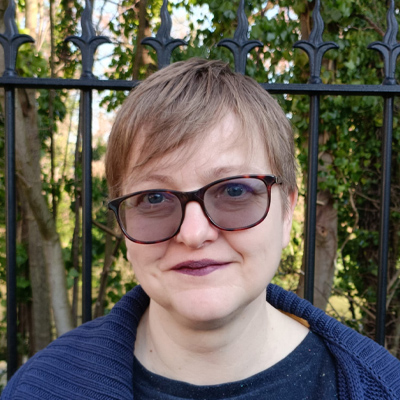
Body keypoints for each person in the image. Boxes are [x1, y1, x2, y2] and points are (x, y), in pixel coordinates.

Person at [2, 58, 400, 400]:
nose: (193, 234)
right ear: (123, 230)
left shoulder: (382, 387)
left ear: (286, 213)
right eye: (154, 198)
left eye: (234, 190)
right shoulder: (40, 388)